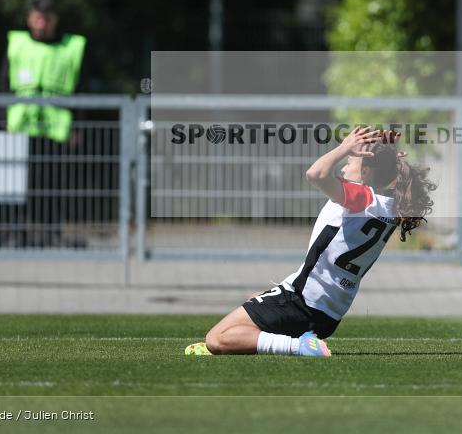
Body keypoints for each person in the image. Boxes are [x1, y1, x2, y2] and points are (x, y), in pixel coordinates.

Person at [184, 126, 436, 357]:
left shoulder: (361, 198)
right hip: (329, 314)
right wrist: (387, 154)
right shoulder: (391, 207)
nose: (345, 165)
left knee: (216, 339)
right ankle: (286, 339)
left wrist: (343, 147)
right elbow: (384, 177)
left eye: (350, 160)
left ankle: (299, 345)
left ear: (367, 172)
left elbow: (315, 173)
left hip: (301, 302)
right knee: (256, 299)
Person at [0, 0, 87, 246]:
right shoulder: (16, 44)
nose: (42, 23)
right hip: (20, 126)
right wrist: (3, 119)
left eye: (47, 18)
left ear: (55, 20)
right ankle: (17, 233)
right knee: (16, 184)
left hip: (56, 128)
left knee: (52, 184)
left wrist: (77, 128)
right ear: (29, 19)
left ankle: (52, 234)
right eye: (37, 18)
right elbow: (3, 85)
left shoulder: (71, 47)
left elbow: (81, 91)